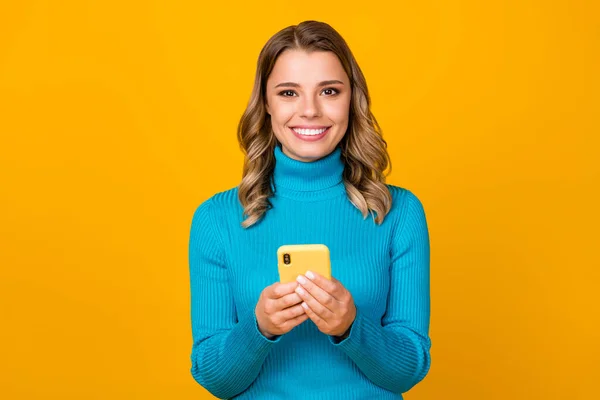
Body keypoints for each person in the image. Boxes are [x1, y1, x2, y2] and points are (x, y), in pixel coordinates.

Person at [188, 20, 432, 399]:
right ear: (266, 104)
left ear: (351, 99)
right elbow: (214, 379)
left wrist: (351, 326)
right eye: (288, 93)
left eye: (329, 91)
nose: (310, 111)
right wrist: (260, 327)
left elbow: (408, 371)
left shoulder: (399, 213)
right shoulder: (215, 220)